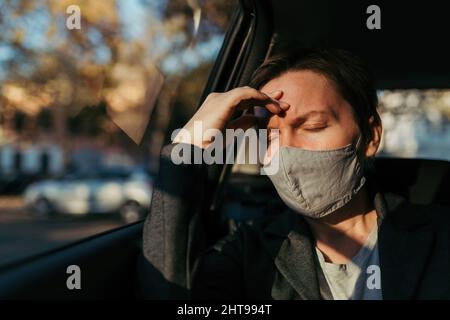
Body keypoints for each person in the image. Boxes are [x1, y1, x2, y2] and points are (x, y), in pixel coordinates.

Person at [140, 49, 450, 300]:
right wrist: (188, 145)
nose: (286, 149)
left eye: (312, 126)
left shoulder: (440, 233)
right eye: (271, 136)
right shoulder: (249, 254)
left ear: (370, 135)